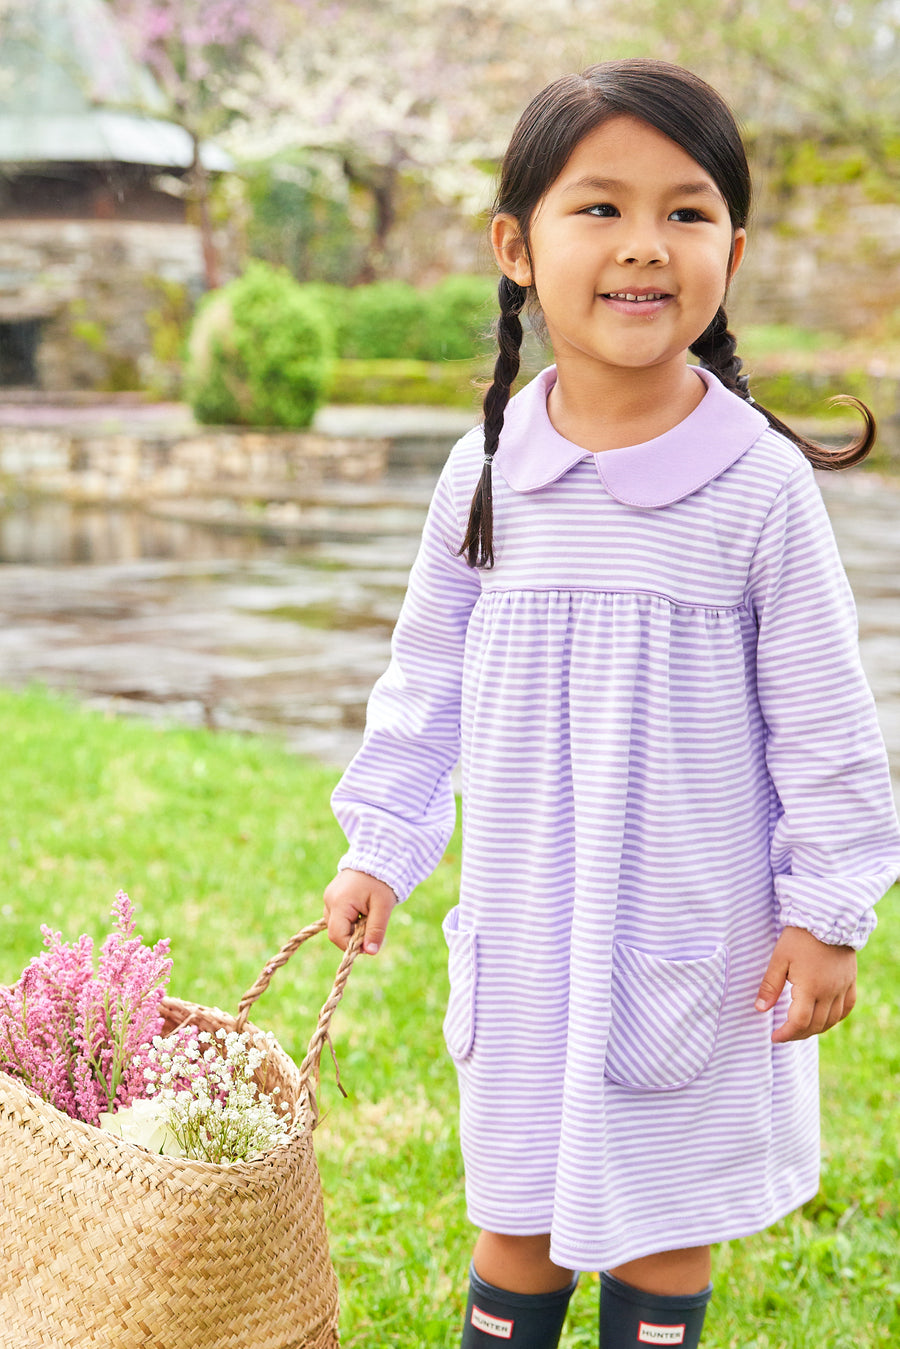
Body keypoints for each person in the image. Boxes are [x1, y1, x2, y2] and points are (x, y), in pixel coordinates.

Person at [323, 59, 900, 1348]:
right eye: (601, 210)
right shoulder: (485, 471)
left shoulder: (756, 489)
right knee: (517, 1210)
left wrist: (826, 911)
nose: (646, 247)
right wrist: (383, 841)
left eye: (687, 214)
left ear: (732, 250)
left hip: (694, 935)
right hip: (532, 925)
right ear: (517, 246)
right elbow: (427, 681)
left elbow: (826, 721)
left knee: (661, 1214)